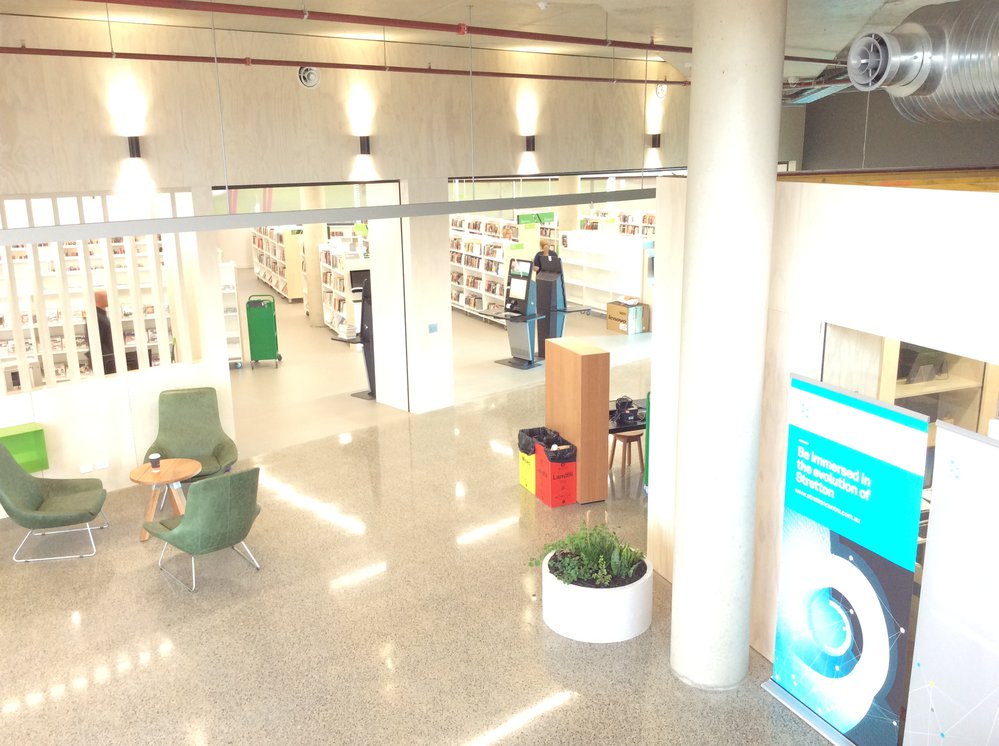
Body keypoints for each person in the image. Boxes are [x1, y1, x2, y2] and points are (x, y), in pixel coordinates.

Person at [93, 290, 116, 374]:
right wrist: (109, 358)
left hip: (107, 358)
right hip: (105, 360)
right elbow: (98, 341)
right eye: (106, 297)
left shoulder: (101, 315)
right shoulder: (96, 317)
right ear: (99, 299)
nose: (108, 299)